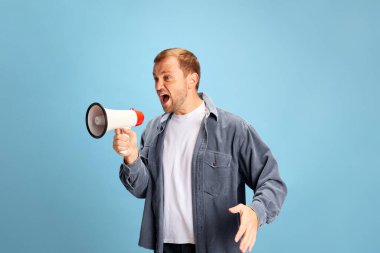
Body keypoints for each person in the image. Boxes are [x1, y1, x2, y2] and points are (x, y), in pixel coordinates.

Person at [113, 48, 287, 253]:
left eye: (167, 77)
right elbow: (143, 189)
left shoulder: (233, 129)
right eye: (155, 79)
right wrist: (131, 157)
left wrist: (256, 212)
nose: (159, 86)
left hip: (215, 248)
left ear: (191, 80)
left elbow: (272, 181)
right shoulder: (153, 130)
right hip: (165, 246)